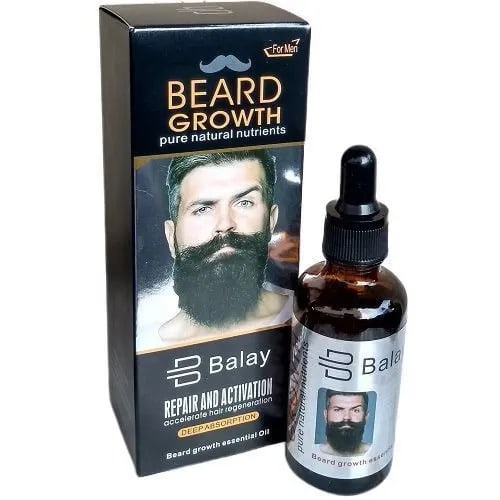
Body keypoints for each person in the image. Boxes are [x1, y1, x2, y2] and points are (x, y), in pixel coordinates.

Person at [158, 149, 292, 346]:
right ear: (171, 237)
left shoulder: (302, 318)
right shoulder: (145, 343)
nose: (225, 224)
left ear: (271, 220)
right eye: (202, 209)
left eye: (244, 202)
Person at [319, 391, 371, 456]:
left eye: (355, 410)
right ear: (326, 415)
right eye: (337, 410)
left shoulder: (374, 452)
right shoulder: (311, 452)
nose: (346, 417)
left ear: (366, 416)